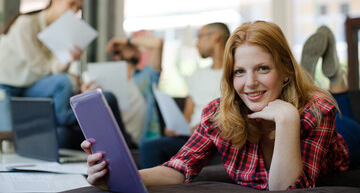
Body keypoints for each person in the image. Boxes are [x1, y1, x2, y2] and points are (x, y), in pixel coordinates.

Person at [82, 21, 349, 191]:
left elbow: (285, 188)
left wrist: (288, 117)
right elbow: (179, 167)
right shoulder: (217, 112)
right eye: (239, 72)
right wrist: (116, 176)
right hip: (293, 99)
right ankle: (315, 74)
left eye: (263, 68)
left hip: (344, 141)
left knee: (343, 113)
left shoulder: (317, 109)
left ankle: (335, 79)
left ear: (285, 70)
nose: (250, 83)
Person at [140, 22, 230, 168]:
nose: (196, 44)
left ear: (215, 37)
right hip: (192, 137)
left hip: (218, 137)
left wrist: (205, 127)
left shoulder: (235, 73)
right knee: (149, 146)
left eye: (199, 37)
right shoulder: (197, 74)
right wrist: (177, 127)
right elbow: (188, 114)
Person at [0, 0, 83, 126]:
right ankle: (64, 121)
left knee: (65, 81)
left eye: (78, 8)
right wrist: (59, 65)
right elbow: (39, 66)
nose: (74, 11)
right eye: (71, 4)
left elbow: (52, 68)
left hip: (31, 85)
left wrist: (67, 60)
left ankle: (59, 125)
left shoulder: (61, 32)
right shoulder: (25, 24)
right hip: (7, 85)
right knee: (8, 139)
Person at [301, 25, 360, 168]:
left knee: (338, 113)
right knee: (340, 119)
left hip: (336, 131)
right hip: (344, 135)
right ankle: (309, 81)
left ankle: (332, 76)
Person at [106, 32, 163, 146]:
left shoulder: (146, 76)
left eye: (134, 46)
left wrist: (124, 40)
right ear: (116, 56)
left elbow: (157, 43)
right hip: (115, 138)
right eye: (127, 47)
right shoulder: (108, 83)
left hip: (139, 142)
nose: (133, 48)